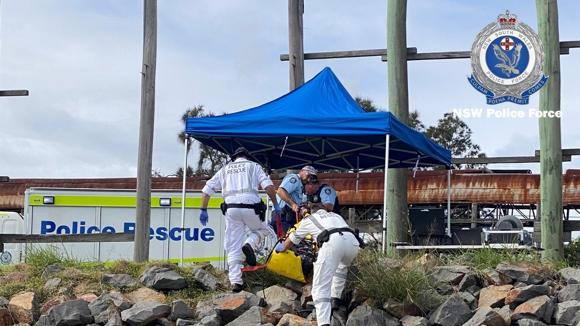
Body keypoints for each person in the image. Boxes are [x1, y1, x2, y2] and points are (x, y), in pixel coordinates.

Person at [199, 146, 281, 293]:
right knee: (263, 229)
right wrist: (275, 205)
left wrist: (203, 210)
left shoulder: (224, 169)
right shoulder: (254, 166)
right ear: (247, 156)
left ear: (234, 157)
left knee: (233, 245)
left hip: (231, 209)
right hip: (251, 207)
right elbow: (268, 187)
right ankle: (250, 244)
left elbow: (206, 191)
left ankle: (236, 282)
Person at [275, 204, 362, 326]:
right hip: (353, 243)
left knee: (320, 288)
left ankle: (323, 323)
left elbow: (291, 241)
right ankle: (335, 298)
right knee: (341, 266)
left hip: (332, 242)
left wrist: (280, 248)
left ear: (310, 211)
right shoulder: (335, 215)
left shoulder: (309, 219)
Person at [271, 165, 317, 233]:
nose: (309, 179)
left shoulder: (300, 184)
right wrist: (293, 204)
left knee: (289, 241)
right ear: (302, 171)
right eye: (309, 175)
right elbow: (280, 191)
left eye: (312, 177)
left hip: (288, 216)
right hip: (283, 214)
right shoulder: (294, 178)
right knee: (288, 240)